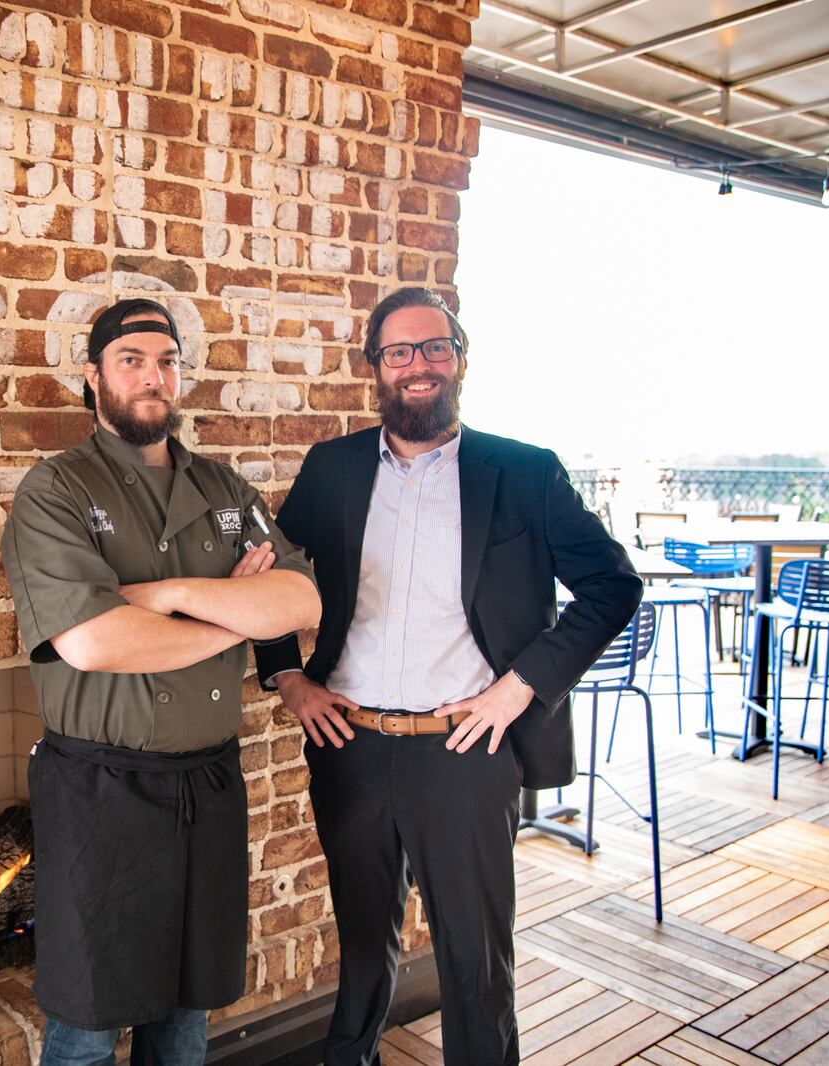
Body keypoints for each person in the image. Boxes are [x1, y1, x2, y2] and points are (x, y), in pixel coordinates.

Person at [254, 286, 642, 1065]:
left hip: (466, 749)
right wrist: (287, 680)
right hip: (350, 747)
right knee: (362, 948)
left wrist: (522, 684)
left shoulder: (523, 473)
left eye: (435, 347)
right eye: (400, 351)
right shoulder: (331, 470)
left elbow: (613, 585)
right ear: (376, 368)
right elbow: (264, 579)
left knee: (474, 965)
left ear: (461, 359)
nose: (419, 364)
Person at [1, 297, 321, 1066]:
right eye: (132, 360)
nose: (154, 376)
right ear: (95, 376)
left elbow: (302, 602)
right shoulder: (57, 490)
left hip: (209, 785)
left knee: (187, 1007)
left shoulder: (224, 490)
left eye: (167, 361)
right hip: (100, 789)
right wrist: (237, 615)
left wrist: (172, 595)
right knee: (87, 1018)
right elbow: (93, 640)